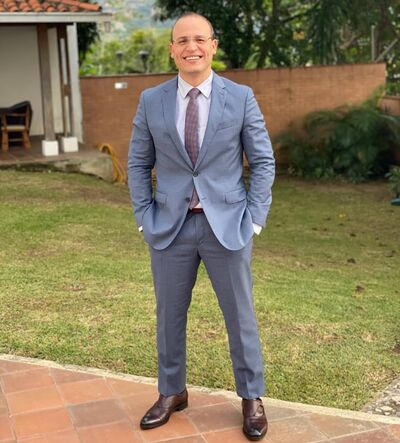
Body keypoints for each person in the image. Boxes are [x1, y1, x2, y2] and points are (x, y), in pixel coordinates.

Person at [128, 12, 275, 441]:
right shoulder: (151, 100)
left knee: (240, 316)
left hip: (227, 227)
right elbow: (137, 163)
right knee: (168, 316)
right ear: (172, 50)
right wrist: (144, 218)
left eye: (199, 39)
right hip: (169, 228)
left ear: (213, 46)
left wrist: (255, 219)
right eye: (182, 41)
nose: (191, 47)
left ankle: (251, 397)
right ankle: (172, 391)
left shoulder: (241, 97)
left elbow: (262, 161)